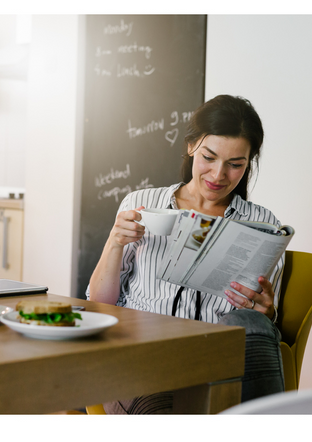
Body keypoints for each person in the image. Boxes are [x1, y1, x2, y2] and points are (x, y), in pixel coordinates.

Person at [87, 94, 285, 414]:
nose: (219, 175)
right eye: (209, 157)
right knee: (162, 397)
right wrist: (115, 242)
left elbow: (260, 324)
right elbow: (101, 302)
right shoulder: (142, 204)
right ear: (192, 145)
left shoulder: (264, 225)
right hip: (141, 355)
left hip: (216, 364)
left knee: (252, 323)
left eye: (236, 164)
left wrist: (265, 312)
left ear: (249, 163)